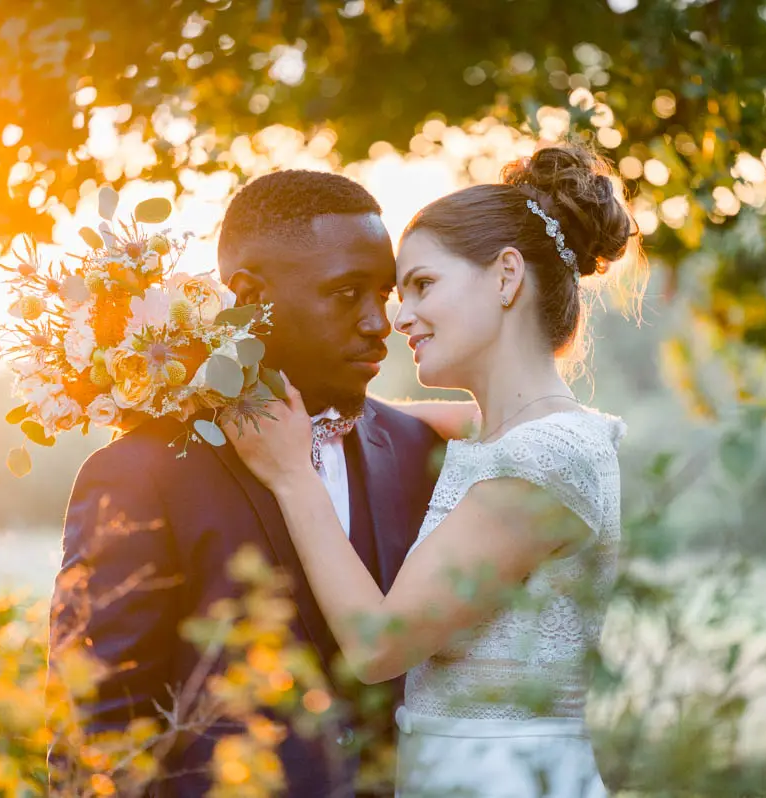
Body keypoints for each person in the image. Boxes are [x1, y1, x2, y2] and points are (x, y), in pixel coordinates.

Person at [226, 143, 644, 797]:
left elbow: (377, 646)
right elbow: (398, 423)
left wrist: (291, 476)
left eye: (423, 284)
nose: (399, 315)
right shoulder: (514, 436)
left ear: (507, 277)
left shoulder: (542, 461)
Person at [49, 170, 442, 797]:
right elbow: (97, 727)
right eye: (346, 294)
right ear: (247, 297)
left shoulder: (418, 449)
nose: (379, 322)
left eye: (383, 292)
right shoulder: (140, 474)